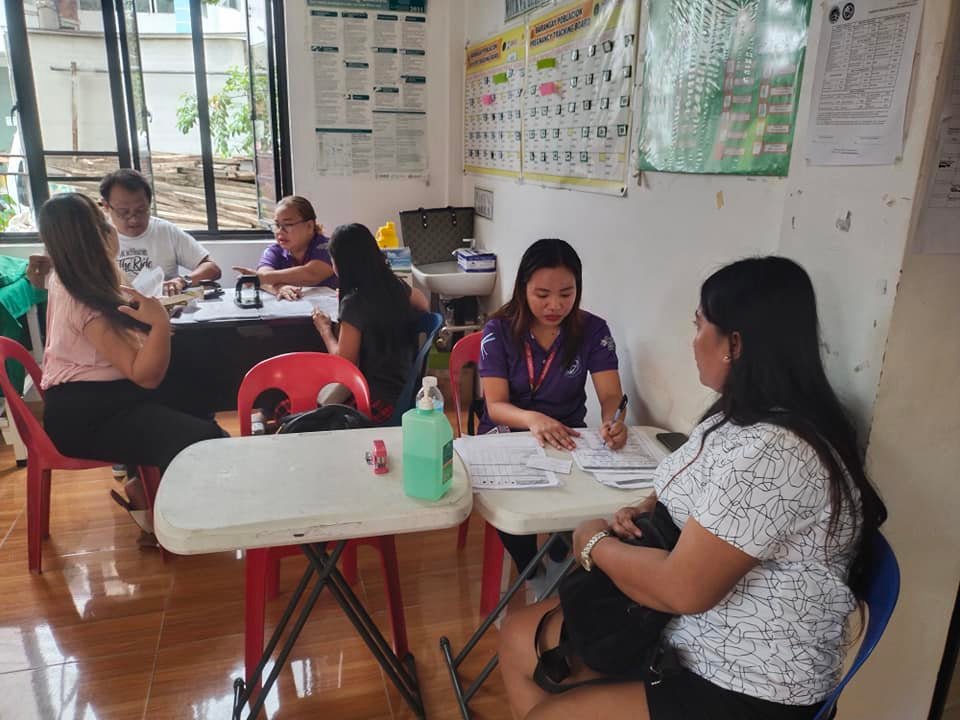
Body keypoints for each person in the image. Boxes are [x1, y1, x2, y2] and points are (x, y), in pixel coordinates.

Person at [497, 256, 888, 720]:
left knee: (550, 712)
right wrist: (644, 508)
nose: (693, 339)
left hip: (746, 678)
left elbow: (683, 589)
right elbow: (689, 486)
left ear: (734, 344)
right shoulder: (738, 416)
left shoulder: (778, 451)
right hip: (681, 628)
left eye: (699, 324)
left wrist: (592, 542)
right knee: (517, 636)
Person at [38, 193, 226, 542]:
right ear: (96, 235)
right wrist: (159, 324)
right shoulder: (83, 299)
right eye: (104, 220)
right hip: (86, 417)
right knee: (203, 439)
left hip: (98, 397)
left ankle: (149, 488)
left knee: (193, 380)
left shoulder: (74, 276)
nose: (114, 227)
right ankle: (172, 520)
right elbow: (145, 376)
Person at [478, 238, 627, 584]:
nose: (555, 305)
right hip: (507, 438)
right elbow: (496, 406)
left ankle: (560, 555)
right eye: (542, 294)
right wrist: (533, 419)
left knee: (578, 511)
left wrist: (613, 421)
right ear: (522, 288)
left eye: (566, 293)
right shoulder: (498, 331)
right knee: (515, 519)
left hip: (566, 437)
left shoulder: (592, 330)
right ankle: (531, 569)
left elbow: (610, 395)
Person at [311, 223, 428, 424]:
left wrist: (324, 330)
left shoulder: (354, 304)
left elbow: (344, 364)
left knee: (287, 409)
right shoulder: (396, 286)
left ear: (340, 264)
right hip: (405, 394)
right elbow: (424, 304)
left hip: (373, 400)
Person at [100, 168, 222, 295]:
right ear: (106, 206)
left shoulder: (166, 231)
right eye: (123, 212)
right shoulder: (98, 238)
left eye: (141, 210)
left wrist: (183, 281)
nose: (133, 219)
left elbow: (212, 268)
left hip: (164, 306)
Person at [233, 195, 338, 300]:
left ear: (309, 226)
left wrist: (261, 278)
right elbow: (263, 276)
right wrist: (280, 288)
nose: (280, 231)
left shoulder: (328, 246)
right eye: (277, 225)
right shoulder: (273, 251)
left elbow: (311, 274)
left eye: (288, 224)